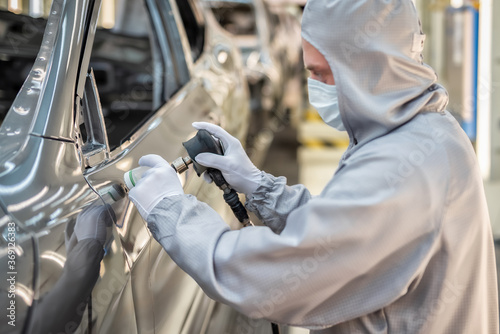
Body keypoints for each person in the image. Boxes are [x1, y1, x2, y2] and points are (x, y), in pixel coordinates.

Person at [128, 0, 499, 332]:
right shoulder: (419, 130)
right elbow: (343, 235)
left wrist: (171, 212)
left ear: (369, 65)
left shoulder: (399, 167)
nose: (312, 86)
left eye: (322, 73)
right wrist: (261, 188)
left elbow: (274, 278)